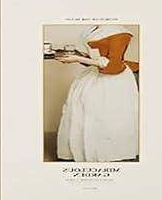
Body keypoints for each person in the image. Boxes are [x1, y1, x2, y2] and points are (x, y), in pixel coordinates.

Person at [55, 24, 139, 163]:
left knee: (106, 115)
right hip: (92, 76)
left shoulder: (120, 33)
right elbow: (96, 60)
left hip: (114, 80)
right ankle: (85, 149)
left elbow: (113, 65)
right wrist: (77, 55)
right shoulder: (93, 29)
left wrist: (78, 59)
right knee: (83, 111)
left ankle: (108, 153)